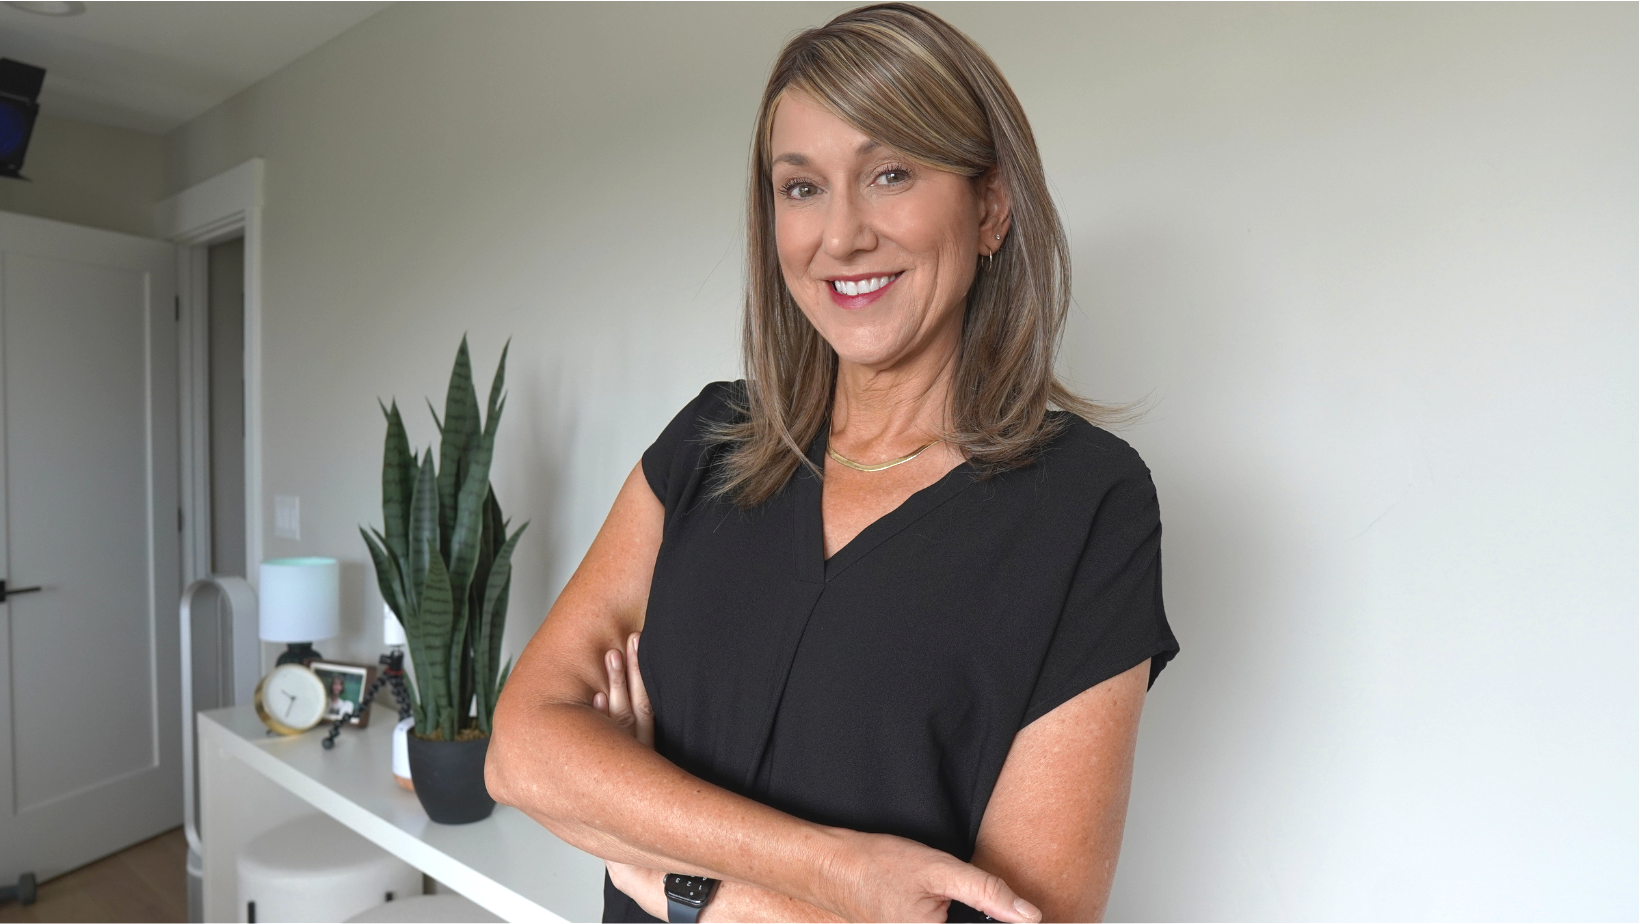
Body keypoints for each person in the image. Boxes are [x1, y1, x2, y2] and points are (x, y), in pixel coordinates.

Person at [487, 5, 1178, 921]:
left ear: (990, 206)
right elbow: (522, 750)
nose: (842, 236)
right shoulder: (707, 443)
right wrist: (835, 873)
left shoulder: (1090, 505)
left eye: (891, 173)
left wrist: (673, 876)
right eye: (801, 187)